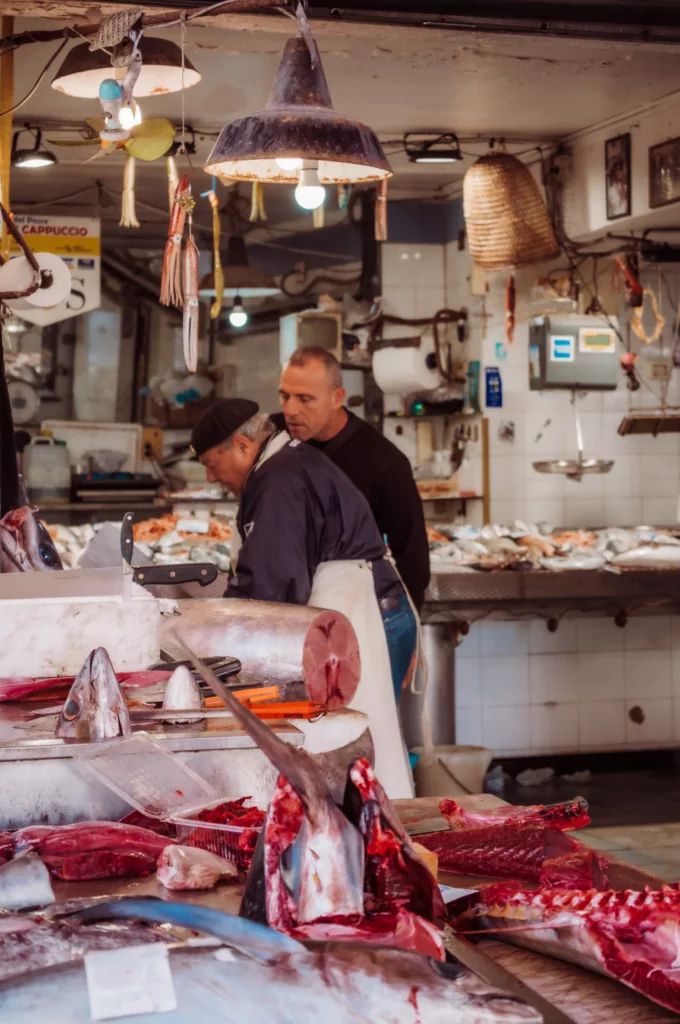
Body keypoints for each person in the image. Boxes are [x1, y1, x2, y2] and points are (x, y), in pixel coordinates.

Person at [190, 398, 416, 701]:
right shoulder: (286, 463)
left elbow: (272, 585)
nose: (211, 478)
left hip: (369, 620)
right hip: (370, 612)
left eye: (211, 464)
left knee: (358, 734)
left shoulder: (278, 480)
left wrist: (218, 637)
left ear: (242, 446)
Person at [272, 347, 429, 698]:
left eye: (305, 399)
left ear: (337, 397)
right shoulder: (275, 439)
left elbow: (412, 554)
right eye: (285, 396)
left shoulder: (384, 462)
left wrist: (411, 636)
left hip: (363, 618)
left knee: (367, 725)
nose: (291, 410)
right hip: (291, 615)